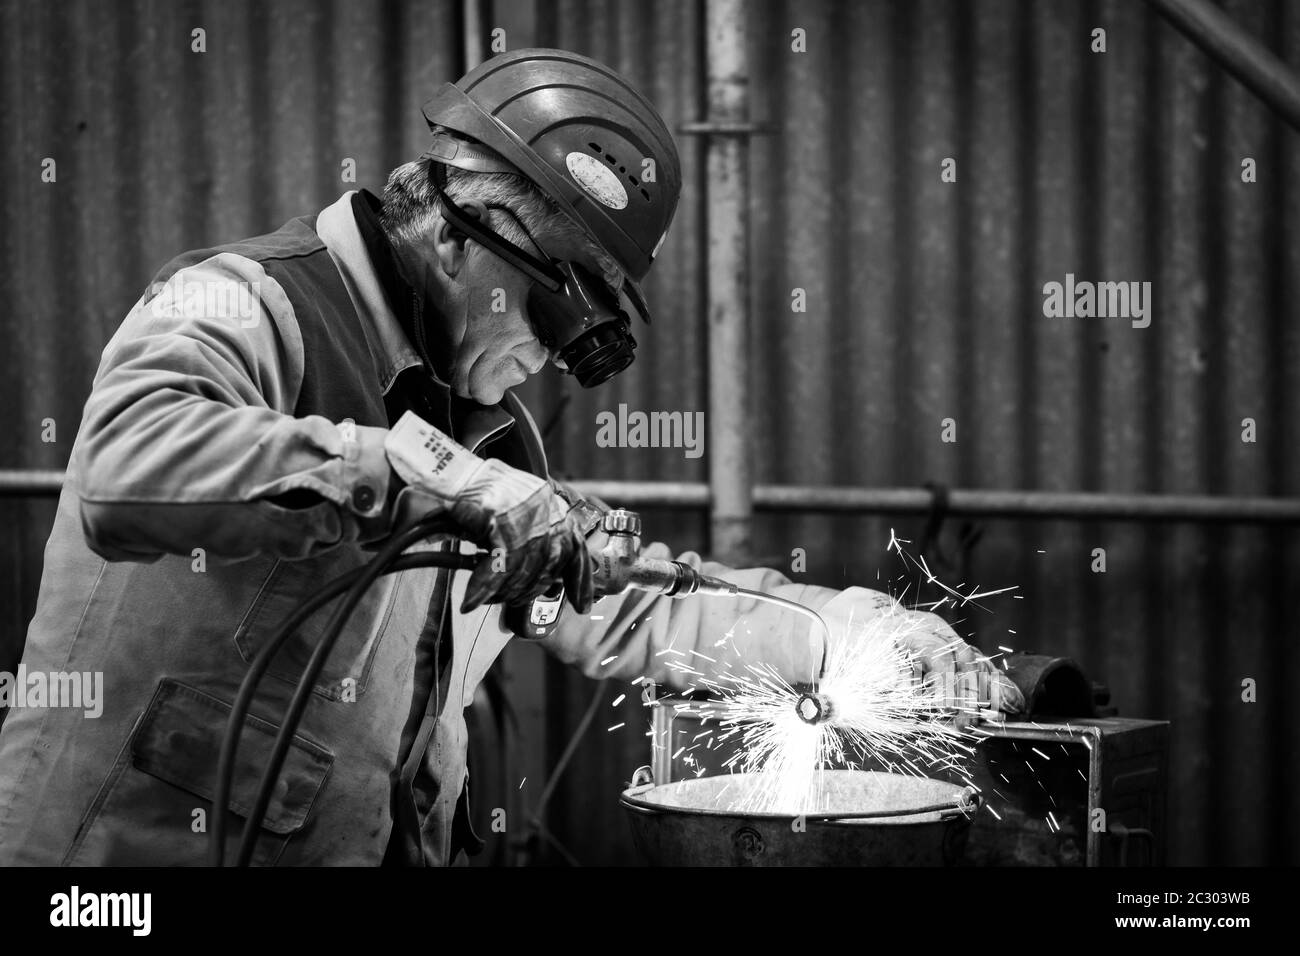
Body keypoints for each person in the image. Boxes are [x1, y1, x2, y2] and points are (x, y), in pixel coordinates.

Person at [0, 48, 1020, 866]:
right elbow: (126, 472)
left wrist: (836, 633)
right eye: (552, 304)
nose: (555, 351)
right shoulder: (250, 303)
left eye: (590, 323)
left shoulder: (487, 429)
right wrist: (430, 479)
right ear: (450, 236)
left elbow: (621, 599)